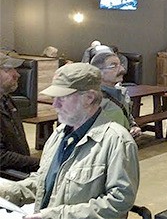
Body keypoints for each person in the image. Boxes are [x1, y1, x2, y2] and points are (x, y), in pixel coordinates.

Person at [0, 63, 139, 218]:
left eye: (62, 98)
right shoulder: (59, 135)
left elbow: (119, 202)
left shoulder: (116, 141)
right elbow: (42, 181)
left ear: (89, 97)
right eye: (54, 98)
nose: (55, 105)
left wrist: (56, 215)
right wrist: (6, 193)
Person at [0, 53, 40, 174]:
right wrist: (39, 164)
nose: (17, 74)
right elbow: (1, 157)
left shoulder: (7, 100)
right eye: (8, 69)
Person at [90, 52, 142, 137]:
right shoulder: (92, 99)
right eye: (114, 66)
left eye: (120, 65)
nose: (122, 69)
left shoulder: (123, 93)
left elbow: (127, 117)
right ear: (98, 72)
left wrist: (133, 126)